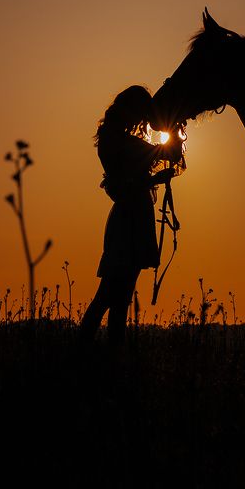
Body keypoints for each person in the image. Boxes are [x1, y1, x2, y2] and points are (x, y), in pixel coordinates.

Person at [80, 85, 183, 344]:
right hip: (131, 219)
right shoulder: (124, 144)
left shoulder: (115, 140)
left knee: (117, 296)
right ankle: (88, 350)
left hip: (130, 216)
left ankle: (94, 351)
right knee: (110, 295)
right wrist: (174, 130)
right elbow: (168, 156)